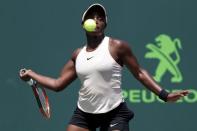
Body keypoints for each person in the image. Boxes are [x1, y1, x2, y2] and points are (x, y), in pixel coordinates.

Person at [19, 3, 189, 131]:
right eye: (92, 17)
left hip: (115, 113)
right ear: (84, 24)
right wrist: (32, 74)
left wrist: (165, 95)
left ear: (105, 24)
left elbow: (139, 73)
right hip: (84, 114)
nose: (96, 21)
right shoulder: (78, 55)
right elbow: (58, 84)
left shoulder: (117, 46)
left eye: (101, 18)